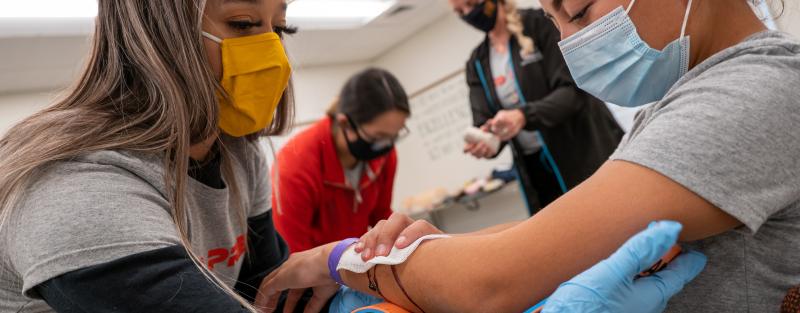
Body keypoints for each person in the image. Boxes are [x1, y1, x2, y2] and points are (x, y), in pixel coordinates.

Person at [257, 0, 800, 312]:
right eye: (556, 21)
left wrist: (343, 261)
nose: (571, 41)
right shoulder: (678, 103)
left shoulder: (755, 91)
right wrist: (431, 247)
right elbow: (538, 240)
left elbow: (491, 281)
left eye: (579, 11)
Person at [457, 0, 624, 213]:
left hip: (584, 149)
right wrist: (486, 142)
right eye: (460, 12)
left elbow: (573, 91)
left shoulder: (540, 24)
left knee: (612, 215)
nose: (468, 14)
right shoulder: (477, 62)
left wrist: (523, 116)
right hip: (537, 171)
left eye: (471, 4)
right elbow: (483, 120)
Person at [272, 68, 409, 253]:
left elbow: (381, 216)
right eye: (378, 136)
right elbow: (291, 251)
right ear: (345, 123)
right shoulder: (296, 164)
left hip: (354, 262)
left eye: (394, 136)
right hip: (313, 270)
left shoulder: (384, 154)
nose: (386, 146)